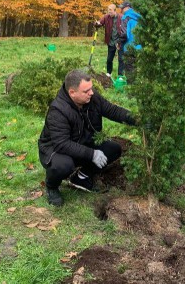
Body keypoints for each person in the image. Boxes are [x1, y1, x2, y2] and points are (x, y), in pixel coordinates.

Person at [38, 69, 136, 207]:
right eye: (86, 91)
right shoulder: (58, 111)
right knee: (63, 166)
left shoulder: (92, 98)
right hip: (56, 150)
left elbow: (113, 111)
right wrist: (92, 154)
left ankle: (81, 177)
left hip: (83, 143)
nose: (91, 93)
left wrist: (137, 119)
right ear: (72, 92)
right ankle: (52, 186)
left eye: (91, 89)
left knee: (113, 149)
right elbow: (62, 144)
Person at [95, 4, 124, 77]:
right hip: (111, 41)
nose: (109, 13)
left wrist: (122, 39)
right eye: (108, 12)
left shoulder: (121, 17)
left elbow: (125, 28)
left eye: (111, 12)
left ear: (115, 11)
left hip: (119, 41)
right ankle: (108, 73)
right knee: (109, 59)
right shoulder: (106, 17)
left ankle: (120, 75)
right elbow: (100, 23)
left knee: (121, 59)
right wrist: (97, 23)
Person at [119, 1, 141, 82]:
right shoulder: (139, 18)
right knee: (137, 68)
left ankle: (131, 90)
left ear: (128, 8)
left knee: (129, 68)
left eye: (122, 8)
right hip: (140, 48)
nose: (121, 10)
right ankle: (138, 87)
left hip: (129, 48)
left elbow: (124, 34)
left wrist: (119, 42)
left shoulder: (126, 17)